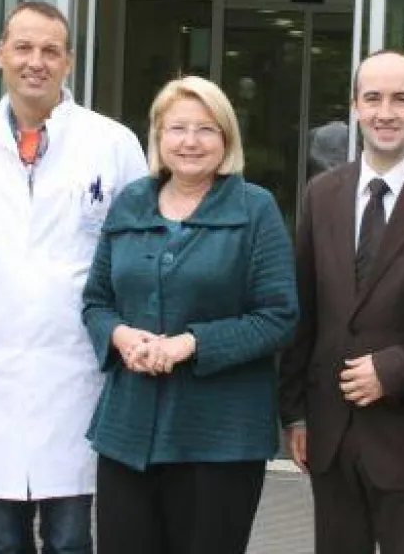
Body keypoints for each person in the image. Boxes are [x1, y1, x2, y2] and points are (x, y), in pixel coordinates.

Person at [0, 0, 147, 554]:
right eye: (23, 47)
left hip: (74, 365)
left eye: (51, 50)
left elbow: (137, 252)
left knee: (72, 535)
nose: (36, 62)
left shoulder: (112, 143)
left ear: (68, 62)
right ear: (0, 52)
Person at [82, 75, 298, 554]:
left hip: (219, 437)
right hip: (128, 431)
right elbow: (96, 300)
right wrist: (119, 336)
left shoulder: (255, 209)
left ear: (226, 138)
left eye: (206, 129)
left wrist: (191, 343)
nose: (191, 141)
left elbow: (279, 316)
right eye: (178, 128)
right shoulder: (130, 202)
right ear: (158, 135)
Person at [278, 49, 404, 554]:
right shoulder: (320, 194)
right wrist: (296, 414)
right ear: (354, 105)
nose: (385, 112)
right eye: (373, 98)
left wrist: (393, 370)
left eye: (399, 99)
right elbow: (303, 311)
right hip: (330, 432)